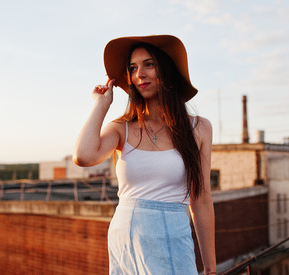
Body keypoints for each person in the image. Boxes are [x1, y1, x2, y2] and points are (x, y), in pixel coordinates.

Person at [73, 35, 216, 274]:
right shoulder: (122, 128)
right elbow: (83, 156)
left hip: (172, 238)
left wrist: (210, 267)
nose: (140, 73)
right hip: (125, 241)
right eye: (133, 68)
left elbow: (201, 199)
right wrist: (101, 104)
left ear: (167, 70)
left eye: (149, 64)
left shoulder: (199, 128)